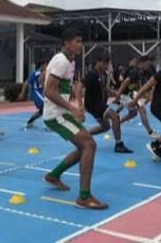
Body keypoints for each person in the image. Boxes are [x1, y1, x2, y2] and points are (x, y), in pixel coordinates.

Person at [42, 28, 107, 209]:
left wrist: (66, 90)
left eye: (81, 41)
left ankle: (53, 176)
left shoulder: (64, 60)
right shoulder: (62, 61)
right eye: (77, 41)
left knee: (83, 148)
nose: (80, 44)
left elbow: (43, 79)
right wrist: (73, 108)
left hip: (59, 112)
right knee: (89, 144)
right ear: (66, 43)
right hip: (57, 115)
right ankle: (84, 197)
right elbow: (48, 89)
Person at [77, 54, 133, 153]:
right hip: (93, 104)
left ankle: (82, 136)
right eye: (103, 63)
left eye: (106, 64)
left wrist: (113, 92)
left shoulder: (102, 73)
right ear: (98, 61)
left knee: (106, 127)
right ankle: (119, 144)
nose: (105, 65)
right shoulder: (92, 73)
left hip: (98, 103)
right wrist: (80, 106)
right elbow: (78, 87)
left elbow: (104, 87)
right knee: (115, 116)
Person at [116, 56, 158, 138]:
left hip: (132, 93)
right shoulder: (134, 72)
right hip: (127, 94)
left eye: (149, 64)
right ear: (141, 63)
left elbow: (146, 84)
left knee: (133, 114)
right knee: (142, 110)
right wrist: (118, 95)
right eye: (147, 64)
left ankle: (117, 122)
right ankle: (150, 132)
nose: (148, 66)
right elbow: (124, 83)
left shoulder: (141, 72)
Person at [17, 58, 48, 129]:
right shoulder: (36, 73)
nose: (47, 67)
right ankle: (48, 124)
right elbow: (26, 83)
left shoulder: (44, 73)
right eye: (46, 65)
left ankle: (29, 122)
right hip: (35, 92)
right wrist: (22, 93)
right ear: (42, 65)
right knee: (46, 106)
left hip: (39, 92)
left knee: (42, 110)